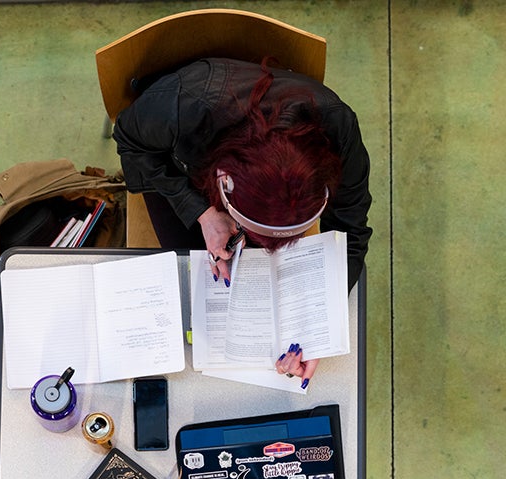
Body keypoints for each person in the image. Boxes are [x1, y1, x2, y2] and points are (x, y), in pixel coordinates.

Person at [113, 57, 372, 387]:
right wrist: (202, 213)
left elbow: (352, 231)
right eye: (255, 234)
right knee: (187, 284)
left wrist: (317, 330)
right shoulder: (184, 104)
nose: (262, 250)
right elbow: (129, 139)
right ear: (223, 181)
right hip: (182, 163)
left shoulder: (339, 129)